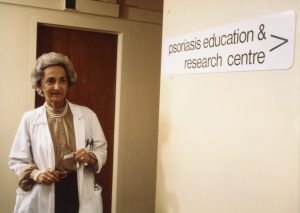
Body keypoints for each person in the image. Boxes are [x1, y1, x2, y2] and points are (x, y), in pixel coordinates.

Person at [8, 52, 107, 213]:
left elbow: (101, 149)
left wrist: (91, 157)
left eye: (63, 80)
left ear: (69, 84)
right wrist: (36, 174)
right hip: (43, 191)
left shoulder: (87, 115)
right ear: (39, 85)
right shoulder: (30, 119)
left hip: (78, 190)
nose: (57, 87)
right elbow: (17, 160)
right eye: (50, 81)